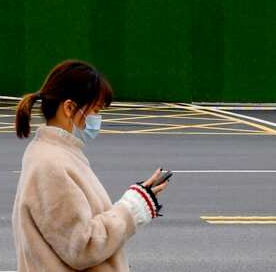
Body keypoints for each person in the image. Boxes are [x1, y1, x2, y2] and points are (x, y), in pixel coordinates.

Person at [12, 59, 168, 271]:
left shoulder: (58, 155)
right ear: (69, 108)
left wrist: (138, 199)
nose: (97, 118)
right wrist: (133, 208)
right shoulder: (52, 164)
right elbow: (82, 246)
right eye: (94, 110)